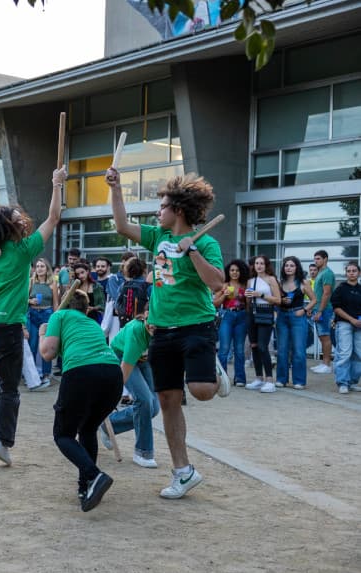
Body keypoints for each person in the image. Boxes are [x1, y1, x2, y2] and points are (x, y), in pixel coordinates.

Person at [109, 167, 228, 499]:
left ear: (177, 210)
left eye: (162, 207)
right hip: (161, 331)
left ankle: (212, 370)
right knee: (167, 400)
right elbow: (121, 225)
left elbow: (217, 283)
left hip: (197, 326)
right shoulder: (156, 237)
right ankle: (183, 472)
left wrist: (192, 251)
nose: (157, 212)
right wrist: (116, 189)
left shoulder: (205, 242)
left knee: (203, 390)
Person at [0, 165, 66, 466]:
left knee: (1, 371)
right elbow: (54, 217)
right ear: (10, 227)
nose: (24, 220)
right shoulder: (24, 250)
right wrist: (56, 184)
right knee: (9, 389)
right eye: (18, 219)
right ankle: (2, 441)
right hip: (5, 324)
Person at [39, 290, 122, 512]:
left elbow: (48, 353)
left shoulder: (59, 316)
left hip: (81, 372)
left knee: (63, 435)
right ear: (86, 309)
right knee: (87, 428)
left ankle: (95, 475)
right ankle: (87, 485)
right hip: (112, 374)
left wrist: (42, 333)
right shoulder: (91, 323)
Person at [102, 309, 160, 468]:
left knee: (154, 408)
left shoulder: (166, 333)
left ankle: (109, 426)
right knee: (145, 400)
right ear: (146, 315)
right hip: (121, 356)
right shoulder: (136, 331)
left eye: (159, 321)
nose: (153, 325)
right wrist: (110, 397)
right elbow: (124, 371)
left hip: (144, 359)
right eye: (150, 320)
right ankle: (143, 452)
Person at [275, 257, 316, 389]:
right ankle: (282, 379)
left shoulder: (303, 283)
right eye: (286, 265)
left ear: (297, 267)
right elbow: (275, 300)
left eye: (292, 266)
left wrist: (304, 310)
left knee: (299, 350)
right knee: (282, 350)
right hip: (282, 316)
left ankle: (299, 381)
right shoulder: (280, 283)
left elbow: (314, 300)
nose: (289, 268)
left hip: (298, 316)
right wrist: (281, 301)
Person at [245, 255, 280, 393]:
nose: (259, 266)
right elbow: (248, 301)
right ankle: (258, 378)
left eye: (262, 263)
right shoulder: (250, 281)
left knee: (263, 346)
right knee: (253, 345)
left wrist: (261, 295)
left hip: (265, 313)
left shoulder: (271, 279)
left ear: (266, 265)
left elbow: (278, 300)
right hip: (252, 314)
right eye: (256, 263)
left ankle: (270, 380)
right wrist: (248, 297)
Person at [213, 259, 250, 387]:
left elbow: (248, 306)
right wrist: (224, 295)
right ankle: (223, 379)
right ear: (228, 272)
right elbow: (215, 303)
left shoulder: (245, 285)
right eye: (232, 270)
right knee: (224, 348)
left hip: (242, 316)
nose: (235, 273)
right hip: (227, 315)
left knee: (239, 349)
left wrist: (248, 298)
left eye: (237, 270)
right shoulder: (224, 285)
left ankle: (240, 378)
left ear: (241, 271)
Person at [331, 261, 361, 394]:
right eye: (349, 271)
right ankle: (343, 382)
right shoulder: (341, 288)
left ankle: (352, 382)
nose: (351, 273)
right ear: (346, 273)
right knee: (344, 354)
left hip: (359, 326)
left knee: (358, 355)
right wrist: (351, 319)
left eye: (354, 270)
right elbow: (336, 308)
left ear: (359, 273)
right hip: (344, 324)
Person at [26, 257, 57, 381]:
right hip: (33, 313)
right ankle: (32, 374)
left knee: (46, 346)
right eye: (38, 266)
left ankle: (46, 373)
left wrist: (55, 318)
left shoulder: (52, 283)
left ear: (47, 268)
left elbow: (55, 303)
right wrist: (30, 300)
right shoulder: (31, 282)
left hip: (47, 314)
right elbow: (23, 299)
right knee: (32, 345)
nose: (39, 269)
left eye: (42, 266)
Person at [310, 250, 336, 374]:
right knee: (321, 336)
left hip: (325, 310)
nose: (316, 261)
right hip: (318, 309)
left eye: (318, 259)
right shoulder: (320, 273)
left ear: (325, 259)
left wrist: (320, 310)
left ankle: (327, 365)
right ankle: (324, 363)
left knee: (325, 336)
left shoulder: (327, 273)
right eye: (315, 259)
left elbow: (327, 293)